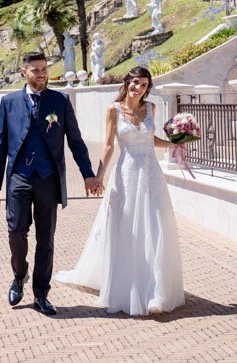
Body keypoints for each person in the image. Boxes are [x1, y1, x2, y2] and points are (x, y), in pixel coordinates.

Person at [54, 66, 185, 316]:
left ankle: (154, 291)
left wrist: (173, 143)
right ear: (127, 83)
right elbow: (108, 145)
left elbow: (150, 138)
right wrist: (98, 177)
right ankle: (127, 286)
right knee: (127, 229)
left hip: (151, 175)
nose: (139, 88)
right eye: (136, 83)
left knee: (154, 227)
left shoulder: (151, 109)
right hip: (125, 175)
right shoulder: (114, 110)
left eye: (145, 85)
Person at [0, 51, 102, 316]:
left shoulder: (60, 100)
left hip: (48, 179)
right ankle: (19, 275)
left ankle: (41, 293)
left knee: (46, 239)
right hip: (18, 176)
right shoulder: (9, 102)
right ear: (24, 73)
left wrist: (88, 174)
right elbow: (0, 144)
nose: (41, 74)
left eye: (44, 69)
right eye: (36, 70)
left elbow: (75, 141)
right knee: (16, 231)